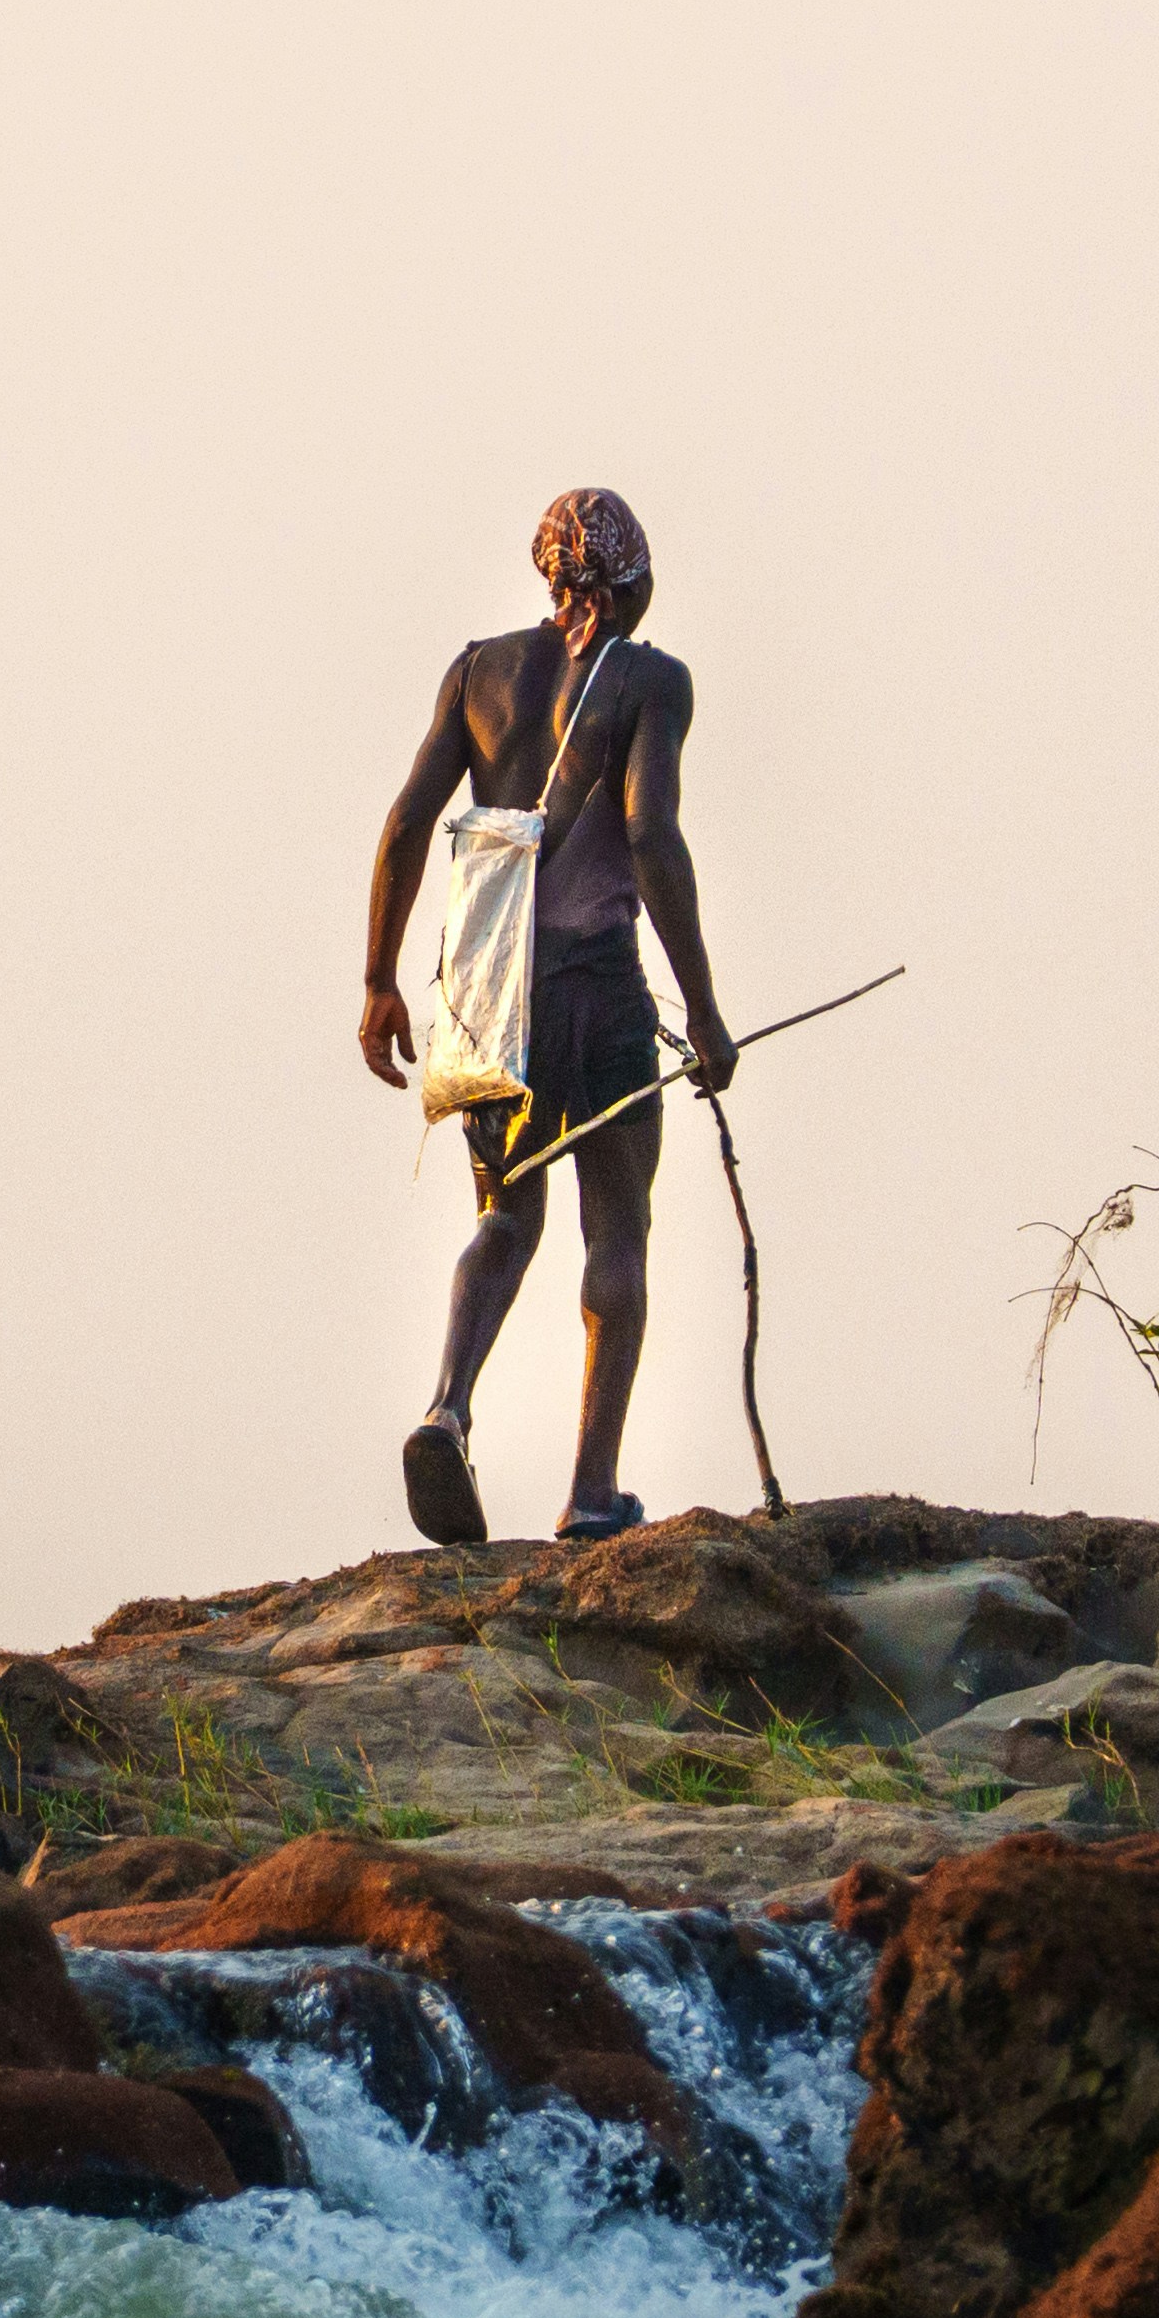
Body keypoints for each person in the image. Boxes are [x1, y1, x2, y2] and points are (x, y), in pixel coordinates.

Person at [355, 485, 736, 1545]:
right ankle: (592, 1494)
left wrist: (381, 980)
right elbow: (650, 838)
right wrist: (703, 1010)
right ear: (632, 582)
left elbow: (405, 824)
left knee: (503, 1216)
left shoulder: (480, 671)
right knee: (617, 1231)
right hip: (597, 985)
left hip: (491, 989)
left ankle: (446, 1404)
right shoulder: (652, 682)